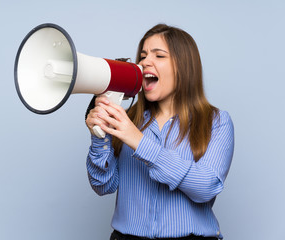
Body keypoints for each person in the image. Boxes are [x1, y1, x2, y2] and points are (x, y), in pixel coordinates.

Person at [85, 24, 234, 240]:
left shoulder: (217, 122)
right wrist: (100, 138)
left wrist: (138, 141)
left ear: (184, 67)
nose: (145, 62)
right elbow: (103, 185)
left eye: (159, 55)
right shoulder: (127, 119)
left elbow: (206, 187)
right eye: (143, 55)